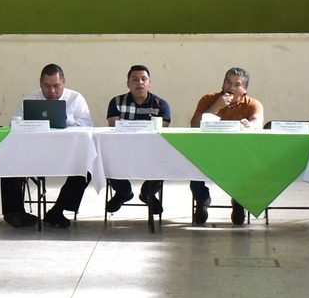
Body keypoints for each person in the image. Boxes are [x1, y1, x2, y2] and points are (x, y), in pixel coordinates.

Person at [0, 64, 92, 229]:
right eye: (47, 86)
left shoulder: (76, 99)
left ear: (63, 82)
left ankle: (57, 210)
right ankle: (13, 212)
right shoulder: (31, 99)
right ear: (40, 84)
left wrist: (65, 119)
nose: (52, 91)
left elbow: (87, 124)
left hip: (67, 153)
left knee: (87, 169)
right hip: (33, 153)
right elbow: (14, 122)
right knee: (10, 161)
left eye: (56, 86)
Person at [189, 67, 264, 225]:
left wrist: (249, 125)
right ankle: (202, 201)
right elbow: (195, 124)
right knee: (192, 162)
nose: (230, 88)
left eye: (237, 85)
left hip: (238, 154)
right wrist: (216, 107)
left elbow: (258, 122)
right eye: (228, 82)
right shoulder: (208, 99)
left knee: (250, 167)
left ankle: (239, 202)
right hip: (209, 152)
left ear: (245, 90)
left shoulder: (252, 104)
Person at [104, 64, 171, 218]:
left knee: (168, 158)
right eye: (134, 79)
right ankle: (123, 192)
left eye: (143, 79)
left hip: (151, 151)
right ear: (128, 83)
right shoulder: (116, 102)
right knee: (106, 158)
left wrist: (128, 125)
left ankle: (148, 193)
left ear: (149, 83)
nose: (139, 82)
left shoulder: (162, 105)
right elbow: (113, 124)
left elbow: (163, 128)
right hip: (122, 150)